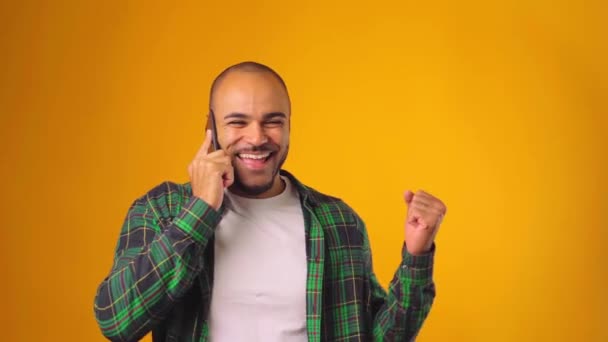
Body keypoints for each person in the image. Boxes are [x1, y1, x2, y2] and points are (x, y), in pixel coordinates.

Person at [94, 61, 447, 342]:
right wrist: (200, 209)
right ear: (211, 128)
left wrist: (416, 257)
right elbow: (117, 321)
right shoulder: (162, 209)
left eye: (272, 122)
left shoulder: (339, 222)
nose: (257, 137)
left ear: (289, 126)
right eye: (238, 122)